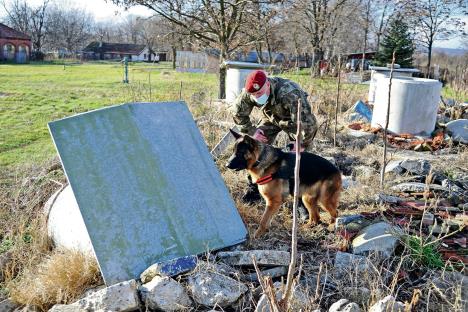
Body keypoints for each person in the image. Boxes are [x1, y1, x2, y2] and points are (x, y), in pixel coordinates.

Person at [230, 70, 318, 207]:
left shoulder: (289, 93)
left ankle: (300, 203)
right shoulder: (250, 92)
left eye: (259, 94)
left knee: (300, 158)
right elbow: (237, 113)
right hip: (271, 118)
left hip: (295, 121)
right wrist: (252, 131)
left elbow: (308, 123)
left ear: (267, 84)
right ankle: (254, 190)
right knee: (254, 146)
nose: (256, 97)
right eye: (253, 95)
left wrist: (301, 143)